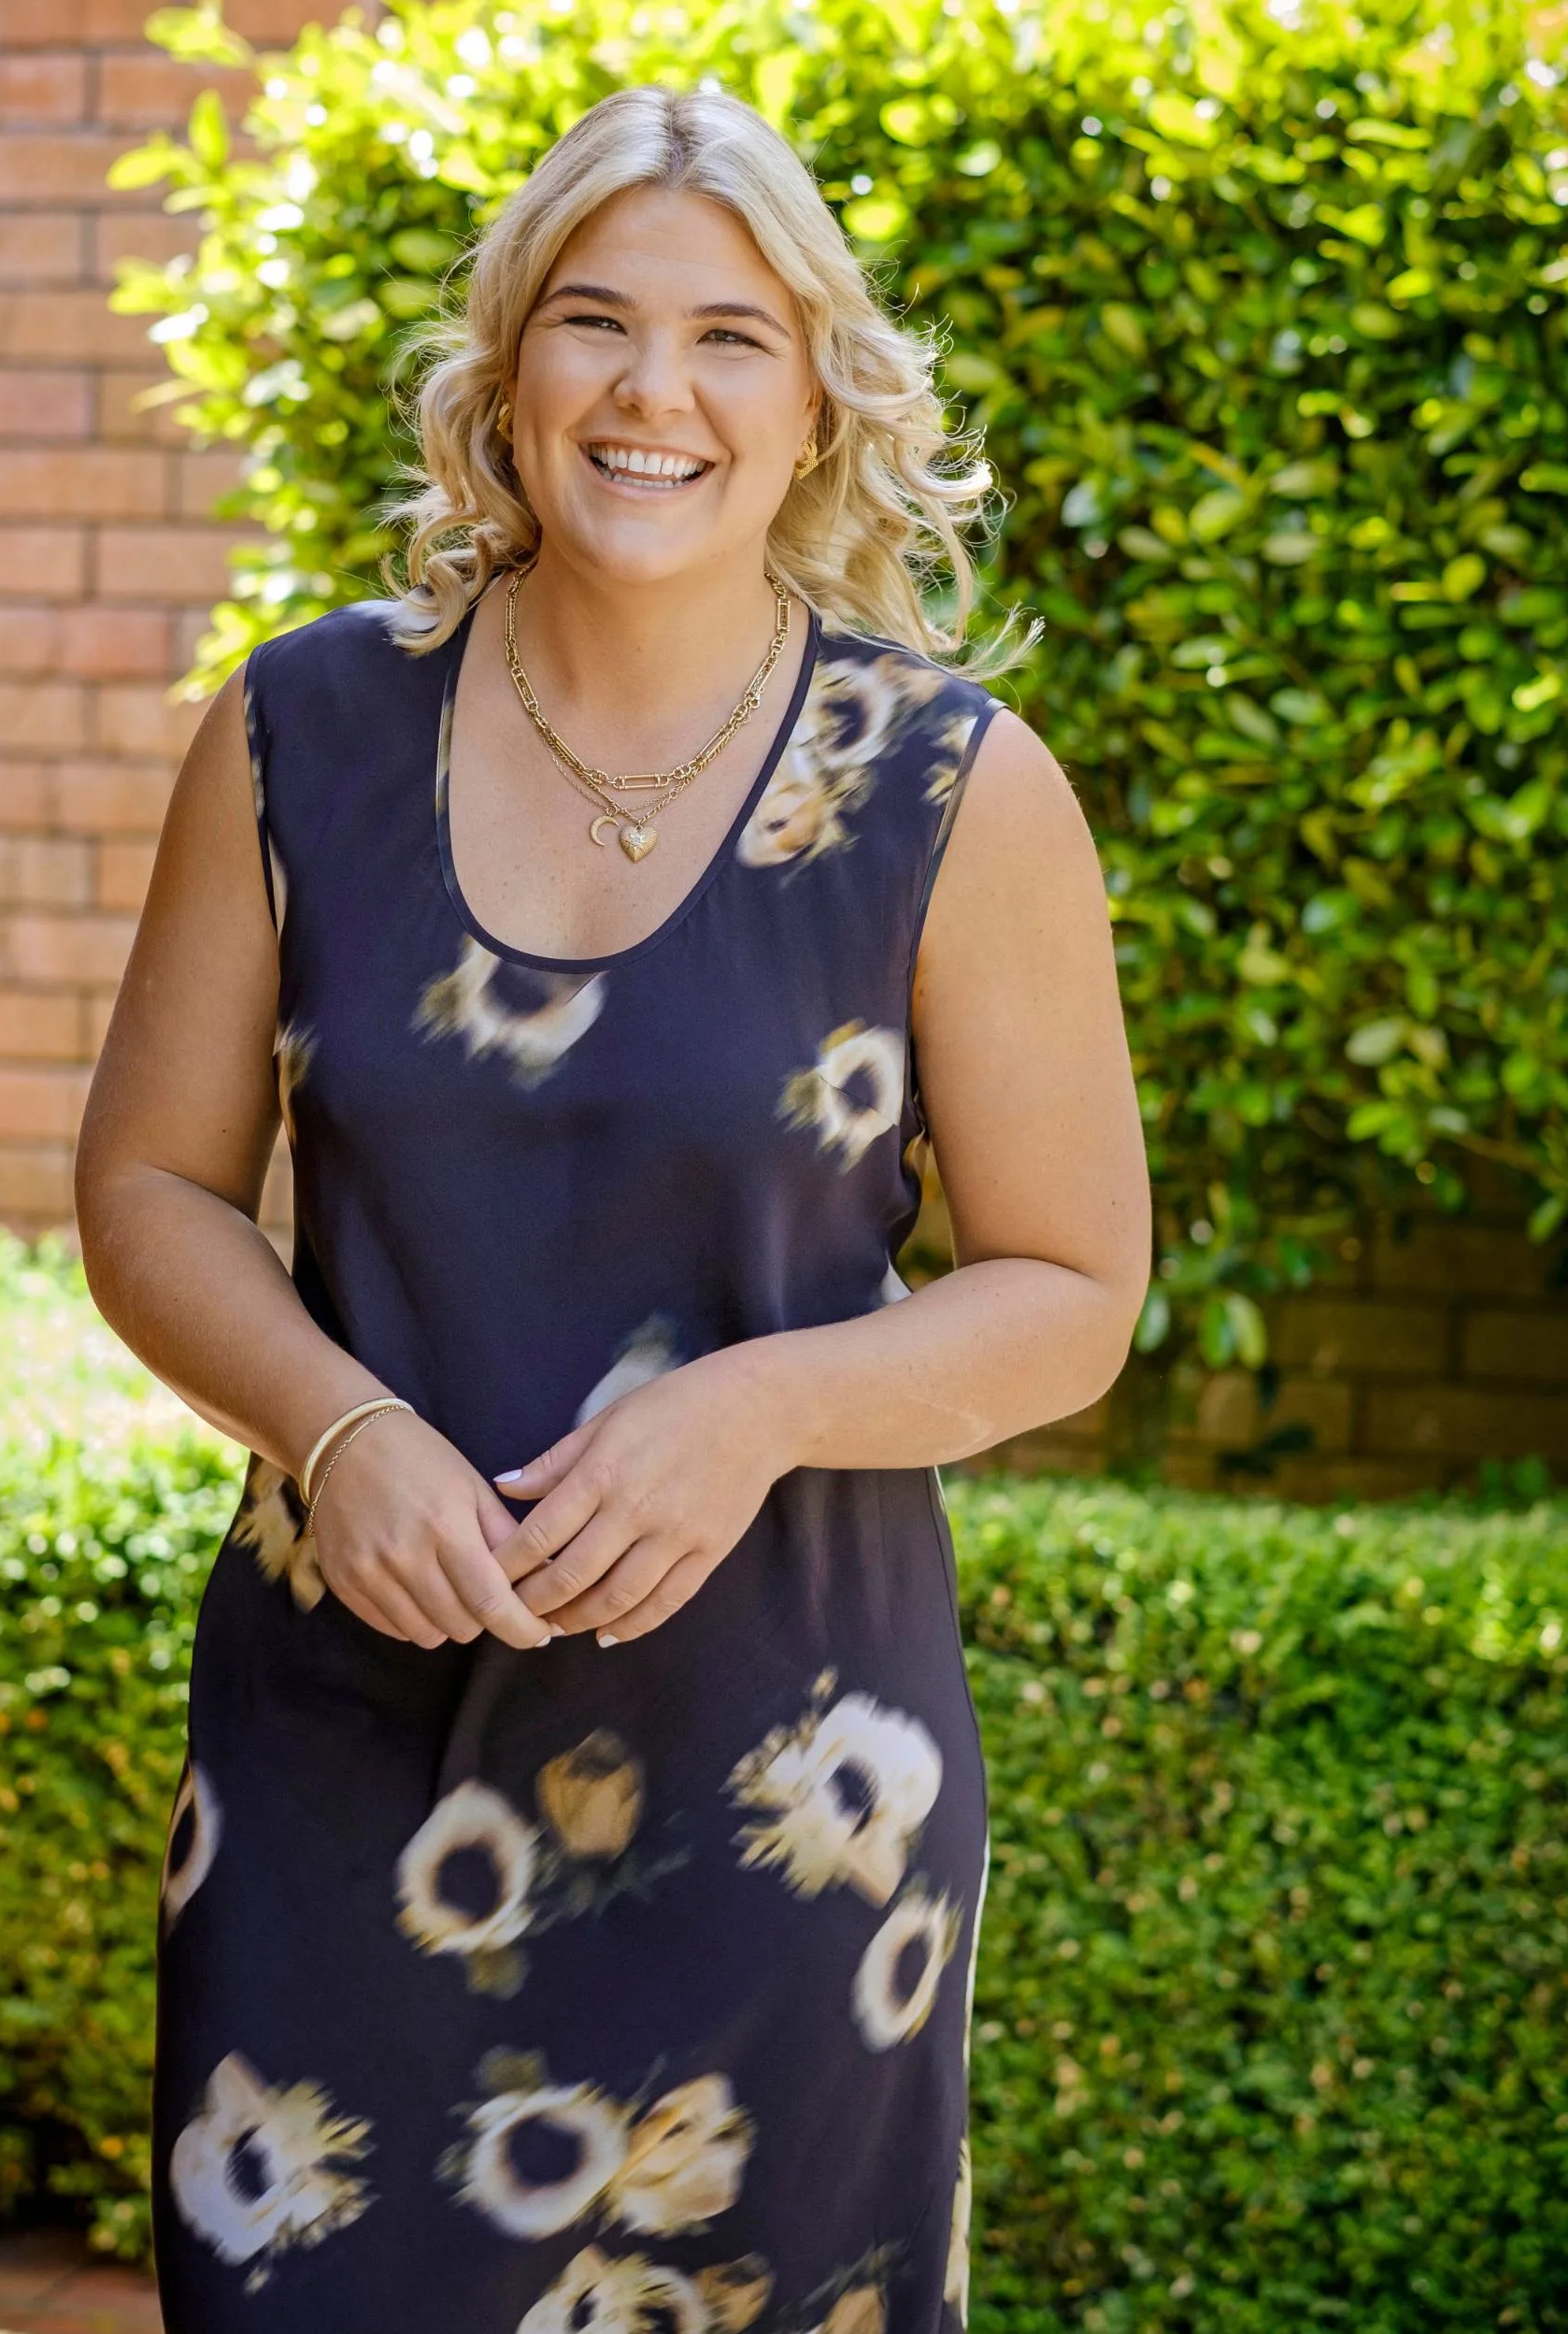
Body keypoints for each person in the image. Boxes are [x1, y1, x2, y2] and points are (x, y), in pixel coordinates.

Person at [75, 77, 1150, 2334]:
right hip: (333, 1782)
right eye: (595, 324)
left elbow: (1071, 1292)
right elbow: (152, 1189)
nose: (655, 391)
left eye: (731, 338)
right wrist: (336, 1428)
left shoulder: (953, 791)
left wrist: (752, 1408)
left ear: (817, 405)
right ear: (509, 373)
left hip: (788, 1817)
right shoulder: (297, 737)